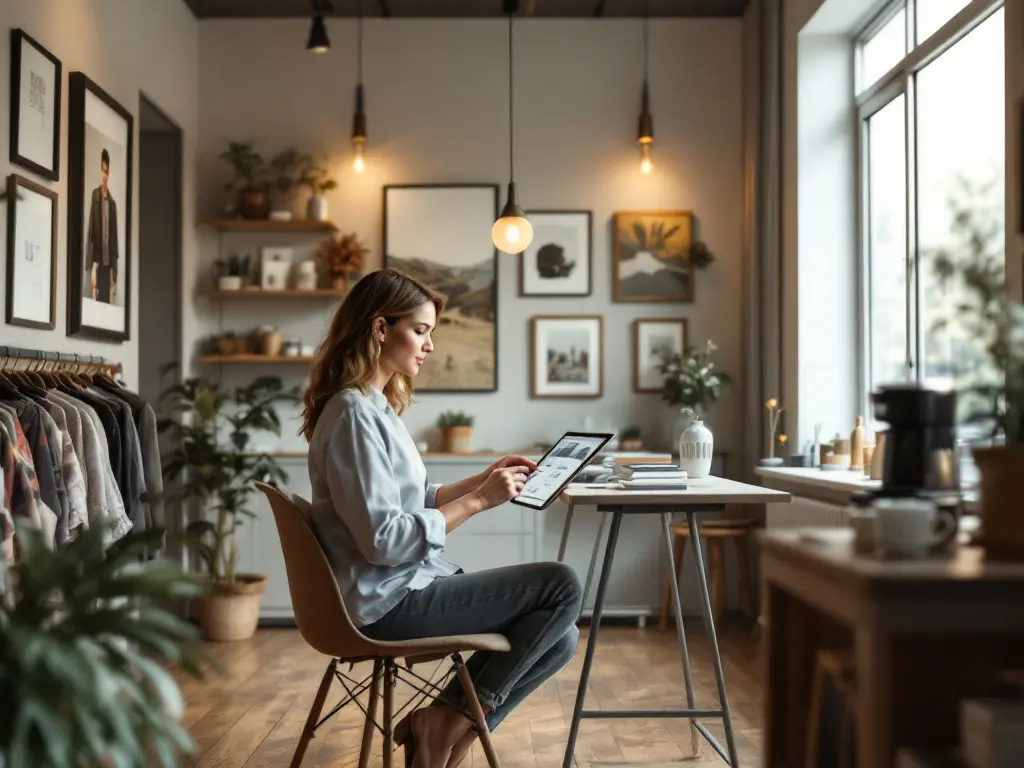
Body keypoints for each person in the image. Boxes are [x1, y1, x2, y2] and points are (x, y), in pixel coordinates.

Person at [301, 268, 582, 768]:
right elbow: (384, 540)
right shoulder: (351, 416)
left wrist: (482, 480)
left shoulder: (375, 408)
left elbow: (413, 499)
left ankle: (448, 729)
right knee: (560, 585)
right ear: (380, 328)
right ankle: (444, 727)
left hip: (403, 588)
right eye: (421, 330)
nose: (429, 346)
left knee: (561, 638)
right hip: (385, 604)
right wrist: (477, 503)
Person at [84, 148, 118, 304]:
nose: (104, 175)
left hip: (107, 264)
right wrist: (91, 265)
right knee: (94, 302)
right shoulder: (95, 196)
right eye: (102, 171)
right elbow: (91, 231)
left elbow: (114, 240)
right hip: (97, 262)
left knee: (106, 304)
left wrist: (114, 274)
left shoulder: (112, 204)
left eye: (107, 171)